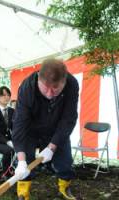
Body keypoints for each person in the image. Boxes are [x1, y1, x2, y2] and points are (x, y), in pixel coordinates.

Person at [12, 58, 79, 200]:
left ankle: (65, 187)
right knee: (25, 163)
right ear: (38, 80)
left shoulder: (72, 84)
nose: (49, 94)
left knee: (65, 162)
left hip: (57, 129)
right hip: (31, 129)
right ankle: (23, 193)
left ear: (64, 81)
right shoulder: (27, 87)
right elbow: (19, 124)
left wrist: (52, 147)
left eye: (55, 88)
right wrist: (22, 160)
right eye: (45, 88)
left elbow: (69, 118)